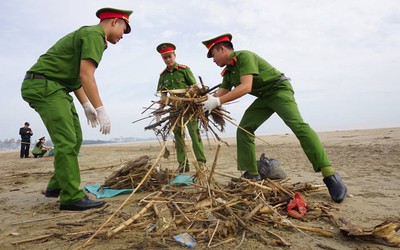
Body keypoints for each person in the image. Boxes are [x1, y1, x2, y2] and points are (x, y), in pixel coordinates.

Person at [201, 34, 347, 203]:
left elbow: (246, 87)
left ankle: (330, 175)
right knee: (244, 129)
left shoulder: (244, 56)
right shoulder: (228, 71)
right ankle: (252, 174)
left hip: (279, 90)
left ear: (222, 48)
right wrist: (203, 102)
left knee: (298, 126)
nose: (213, 60)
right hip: (264, 97)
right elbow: (220, 93)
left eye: (213, 55)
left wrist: (217, 101)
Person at [21, 7, 133, 211]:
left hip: (57, 87)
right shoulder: (94, 35)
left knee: (76, 137)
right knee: (66, 140)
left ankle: (57, 186)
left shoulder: (92, 36)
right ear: (115, 22)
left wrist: (86, 105)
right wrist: (100, 109)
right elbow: (86, 75)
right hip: (44, 85)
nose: (123, 36)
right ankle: (71, 197)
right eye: (124, 29)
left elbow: (75, 77)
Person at [156, 43, 207, 172]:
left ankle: (201, 163)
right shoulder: (163, 76)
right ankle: (183, 165)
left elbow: (195, 87)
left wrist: (195, 95)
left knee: (195, 135)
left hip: (188, 108)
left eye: (169, 56)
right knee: (178, 137)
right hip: (174, 110)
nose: (168, 59)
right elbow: (163, 96)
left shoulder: (184, 70)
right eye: (165, 58)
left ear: (174, 55)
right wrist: (159, 111)